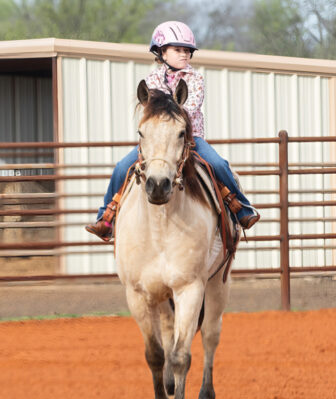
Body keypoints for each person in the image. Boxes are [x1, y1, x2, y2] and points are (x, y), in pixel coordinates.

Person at [85, 21, 260, 241]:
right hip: (157, 140)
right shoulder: (151, 80)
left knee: (217, 164)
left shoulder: (195, 79)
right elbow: (151, 110)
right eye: (178, 50)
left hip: (190, 139)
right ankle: (106, 218)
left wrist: (168, 112)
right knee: (122, 167)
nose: (184, 54)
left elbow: (189, 108)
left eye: (187, 50)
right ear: (161, 52)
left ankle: (242, 209)